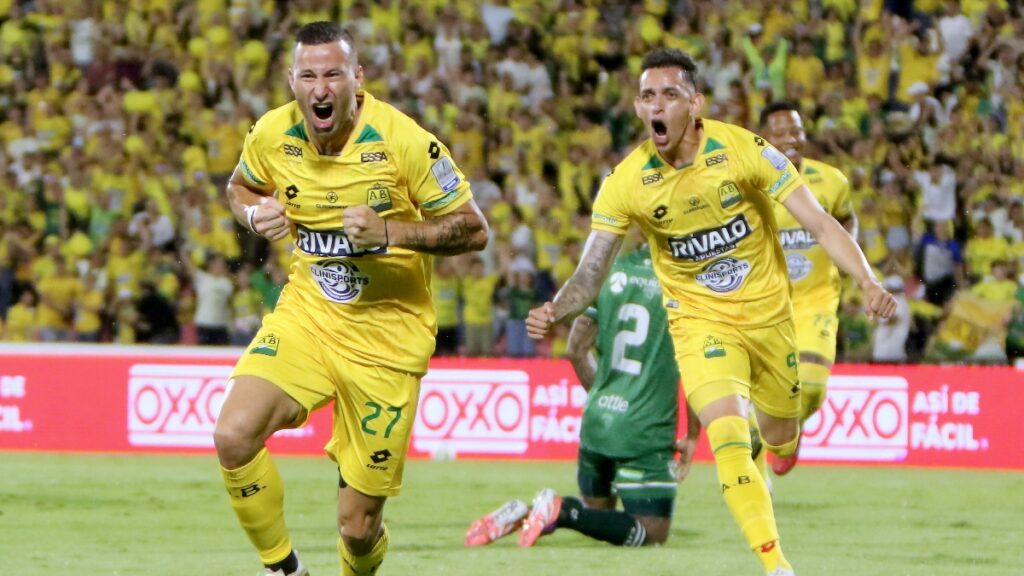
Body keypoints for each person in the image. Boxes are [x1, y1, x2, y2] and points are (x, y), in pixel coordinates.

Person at [525, 48, 896, 576]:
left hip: (769, 321)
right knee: (725, 434)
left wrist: (867, 280)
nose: (657, 105)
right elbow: (591, 270)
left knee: (779, 435)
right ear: (637, 108)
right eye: (648, 96)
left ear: (695, 104)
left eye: (670, 94)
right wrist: (555, 308)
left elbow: (818, 223)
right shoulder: (626, 181)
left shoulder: (744, 149)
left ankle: (778, 442)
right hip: (700, 324)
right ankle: (777, 565)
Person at [213, 22, 488, 576]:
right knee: (233, 435)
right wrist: (252, 214)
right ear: (292, 80)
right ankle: (285, 570)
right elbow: (238, 186)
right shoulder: (271, 133)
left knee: (357, 531)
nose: (320, 87)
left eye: (333, 73)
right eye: (308, 75)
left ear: (356, 79)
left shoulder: (403, 140)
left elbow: (473, 229)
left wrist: (391, 233)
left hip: (387, 341)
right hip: (309, 318)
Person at [464, 240, 699, 549]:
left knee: (599, 521)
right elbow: (701, 368)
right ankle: (562, 510)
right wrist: (694, 434)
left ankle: (526, 512)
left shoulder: (611, 270)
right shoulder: (687, 281)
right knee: (652, 532)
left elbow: (575, 350)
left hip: (597, 422)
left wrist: (607, 398)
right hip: (644, 429)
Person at [759, 101, 857, 476]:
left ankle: (788, 432)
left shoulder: (831, 181)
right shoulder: (751, 183)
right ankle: (754, 473)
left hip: (817, 297)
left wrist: (850, 261)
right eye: (780, 132)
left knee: (812, 388)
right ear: (764, 139)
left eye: (795, 130)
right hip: (766, 303)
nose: (790, 139)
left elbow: (848, 219)